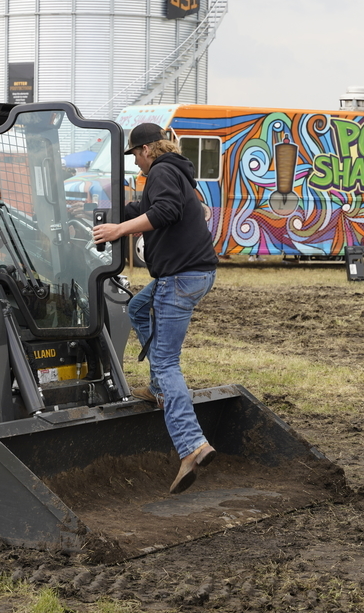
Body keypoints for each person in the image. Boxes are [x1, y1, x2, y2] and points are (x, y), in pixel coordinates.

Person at [93, 122, 220, 494]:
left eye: (134, 155)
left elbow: (163, 212)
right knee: (137, 309)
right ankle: (157, 388)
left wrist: (118, 231)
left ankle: (193, 445)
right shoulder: (177, 170)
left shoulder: (162, 171)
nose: (135, 163)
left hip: (179, 278)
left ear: (147, 149)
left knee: (166, 361)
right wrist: (109, 209)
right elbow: (147, 206)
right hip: (195, 274)